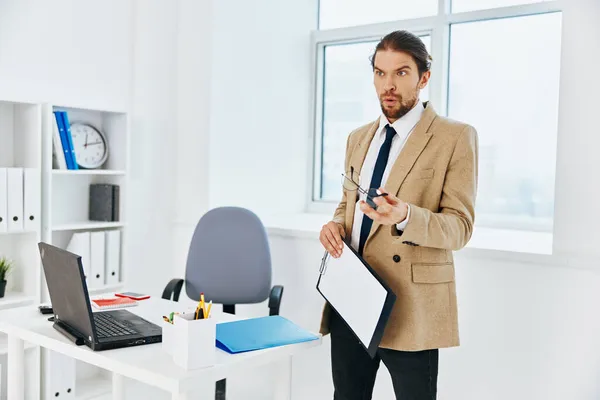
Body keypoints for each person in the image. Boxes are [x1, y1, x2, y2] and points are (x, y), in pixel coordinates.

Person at [318, 30, 479, 400]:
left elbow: (460, 227)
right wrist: (333, 227)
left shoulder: (454, 137)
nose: (388, 85)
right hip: (351, 296)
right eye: (380, 73)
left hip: (409, 304)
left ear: (424, 78)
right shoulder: (358, 138)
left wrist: (406, 215)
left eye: (401, 73)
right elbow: (347, 206)